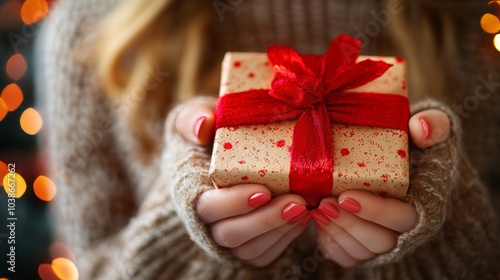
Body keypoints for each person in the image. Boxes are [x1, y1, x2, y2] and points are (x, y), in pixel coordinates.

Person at [40, 0, 499, 279]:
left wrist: (442, 229)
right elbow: (92, 269)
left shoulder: (478, 29)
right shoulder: (94, 26)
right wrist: (184, 233)